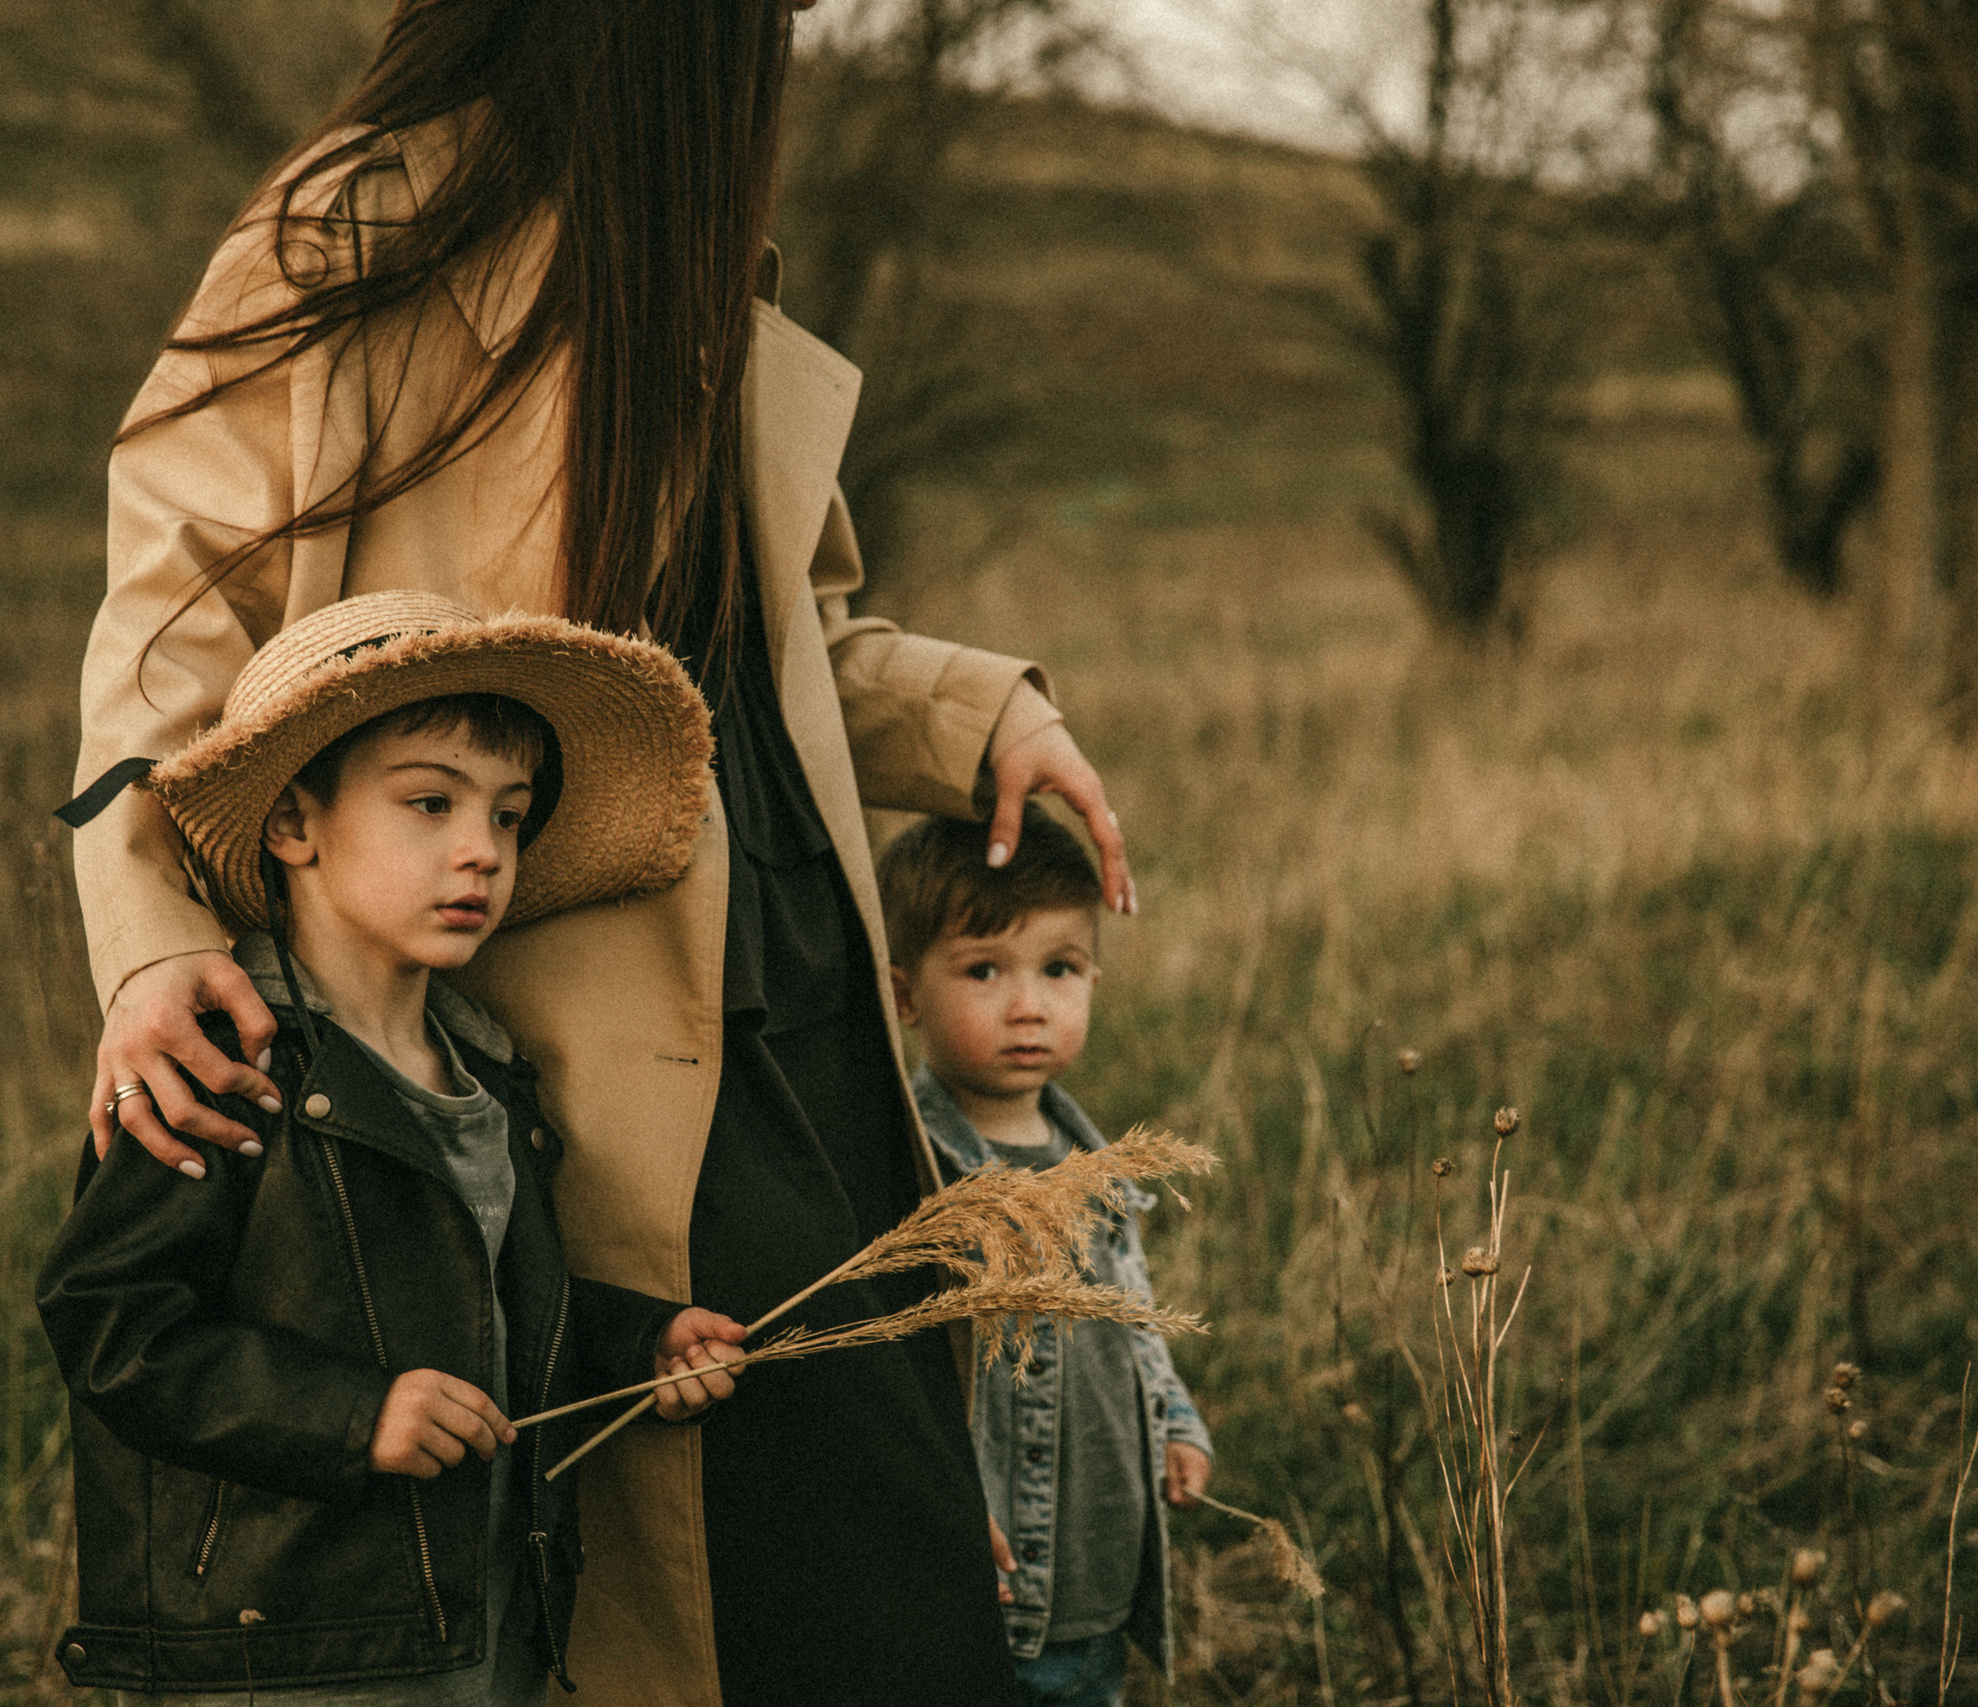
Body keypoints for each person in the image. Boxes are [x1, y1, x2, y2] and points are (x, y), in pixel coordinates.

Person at [64, 5, 1135, 1704]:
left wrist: (980, 716)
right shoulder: (354, 229)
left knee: (885, 1577)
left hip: (812, 1011)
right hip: (599, 1022)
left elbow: (786, 643)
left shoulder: (711, 257)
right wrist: (146, 936)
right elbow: (169, 629)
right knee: (759, 1591)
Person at [40, 595, 749, 1702]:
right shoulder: (222, 1069)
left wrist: (635, 1341)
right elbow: (110, 1322)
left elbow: (485, 1296)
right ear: (293, 826)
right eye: (430, 803)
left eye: (509, 818)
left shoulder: (488, 1072)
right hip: (287, 1653)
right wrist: (351, 1414)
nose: (481, 851)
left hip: (480, 1640)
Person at [879, 806, 1215, 1707]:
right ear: (905, 997)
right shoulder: (912, 1173)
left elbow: (1136, 1316)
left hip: (1092, 1577)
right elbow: (901, 1382)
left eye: (1059, 969)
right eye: (985, 970)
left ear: (1094, 977)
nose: (1029, 1004)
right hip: (977, 1589)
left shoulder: (1098, 1167)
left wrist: (1175, 1418)